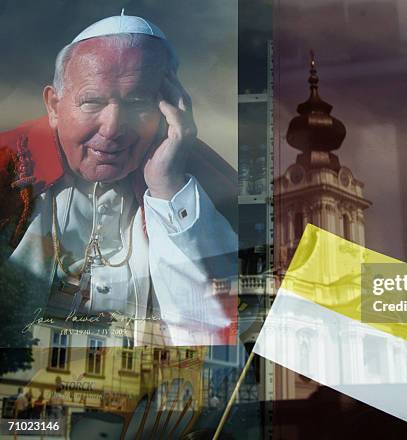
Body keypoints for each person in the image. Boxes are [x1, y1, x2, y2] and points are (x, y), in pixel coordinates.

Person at [0, 13, 237, 346]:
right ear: (54, 106)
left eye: (137, 102)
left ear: (169, 107)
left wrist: (168, 189)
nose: (112, 128)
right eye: (92, 102)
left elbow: (215, 336)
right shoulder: (8, 166)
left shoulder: (212, 182)